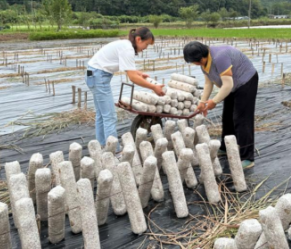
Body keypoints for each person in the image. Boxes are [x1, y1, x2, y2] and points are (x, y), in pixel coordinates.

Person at [183, 41, 258, 169]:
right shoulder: (204, 62)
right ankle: (225, 147)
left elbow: (228, 84)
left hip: (246, 81)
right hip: (231, 85)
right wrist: (202, 102)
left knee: (241, 118)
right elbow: (208, 83)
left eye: (194, 62)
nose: (194, 64)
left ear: (201, 58)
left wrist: (214, 101)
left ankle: (247, 157)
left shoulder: (220, 57)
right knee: (227, 117)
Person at [86, 27, 165, 149]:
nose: (145, 48)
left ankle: (102, 145)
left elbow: (130, 70)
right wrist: (154, 87)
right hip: (98, 76)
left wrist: (139, 73)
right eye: (146, 44)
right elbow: (132, 78)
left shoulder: (125, 45)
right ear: (139, 39)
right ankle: (114, 151)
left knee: (102, 115)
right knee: (110, 116)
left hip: (93, 74)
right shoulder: (127, 49)